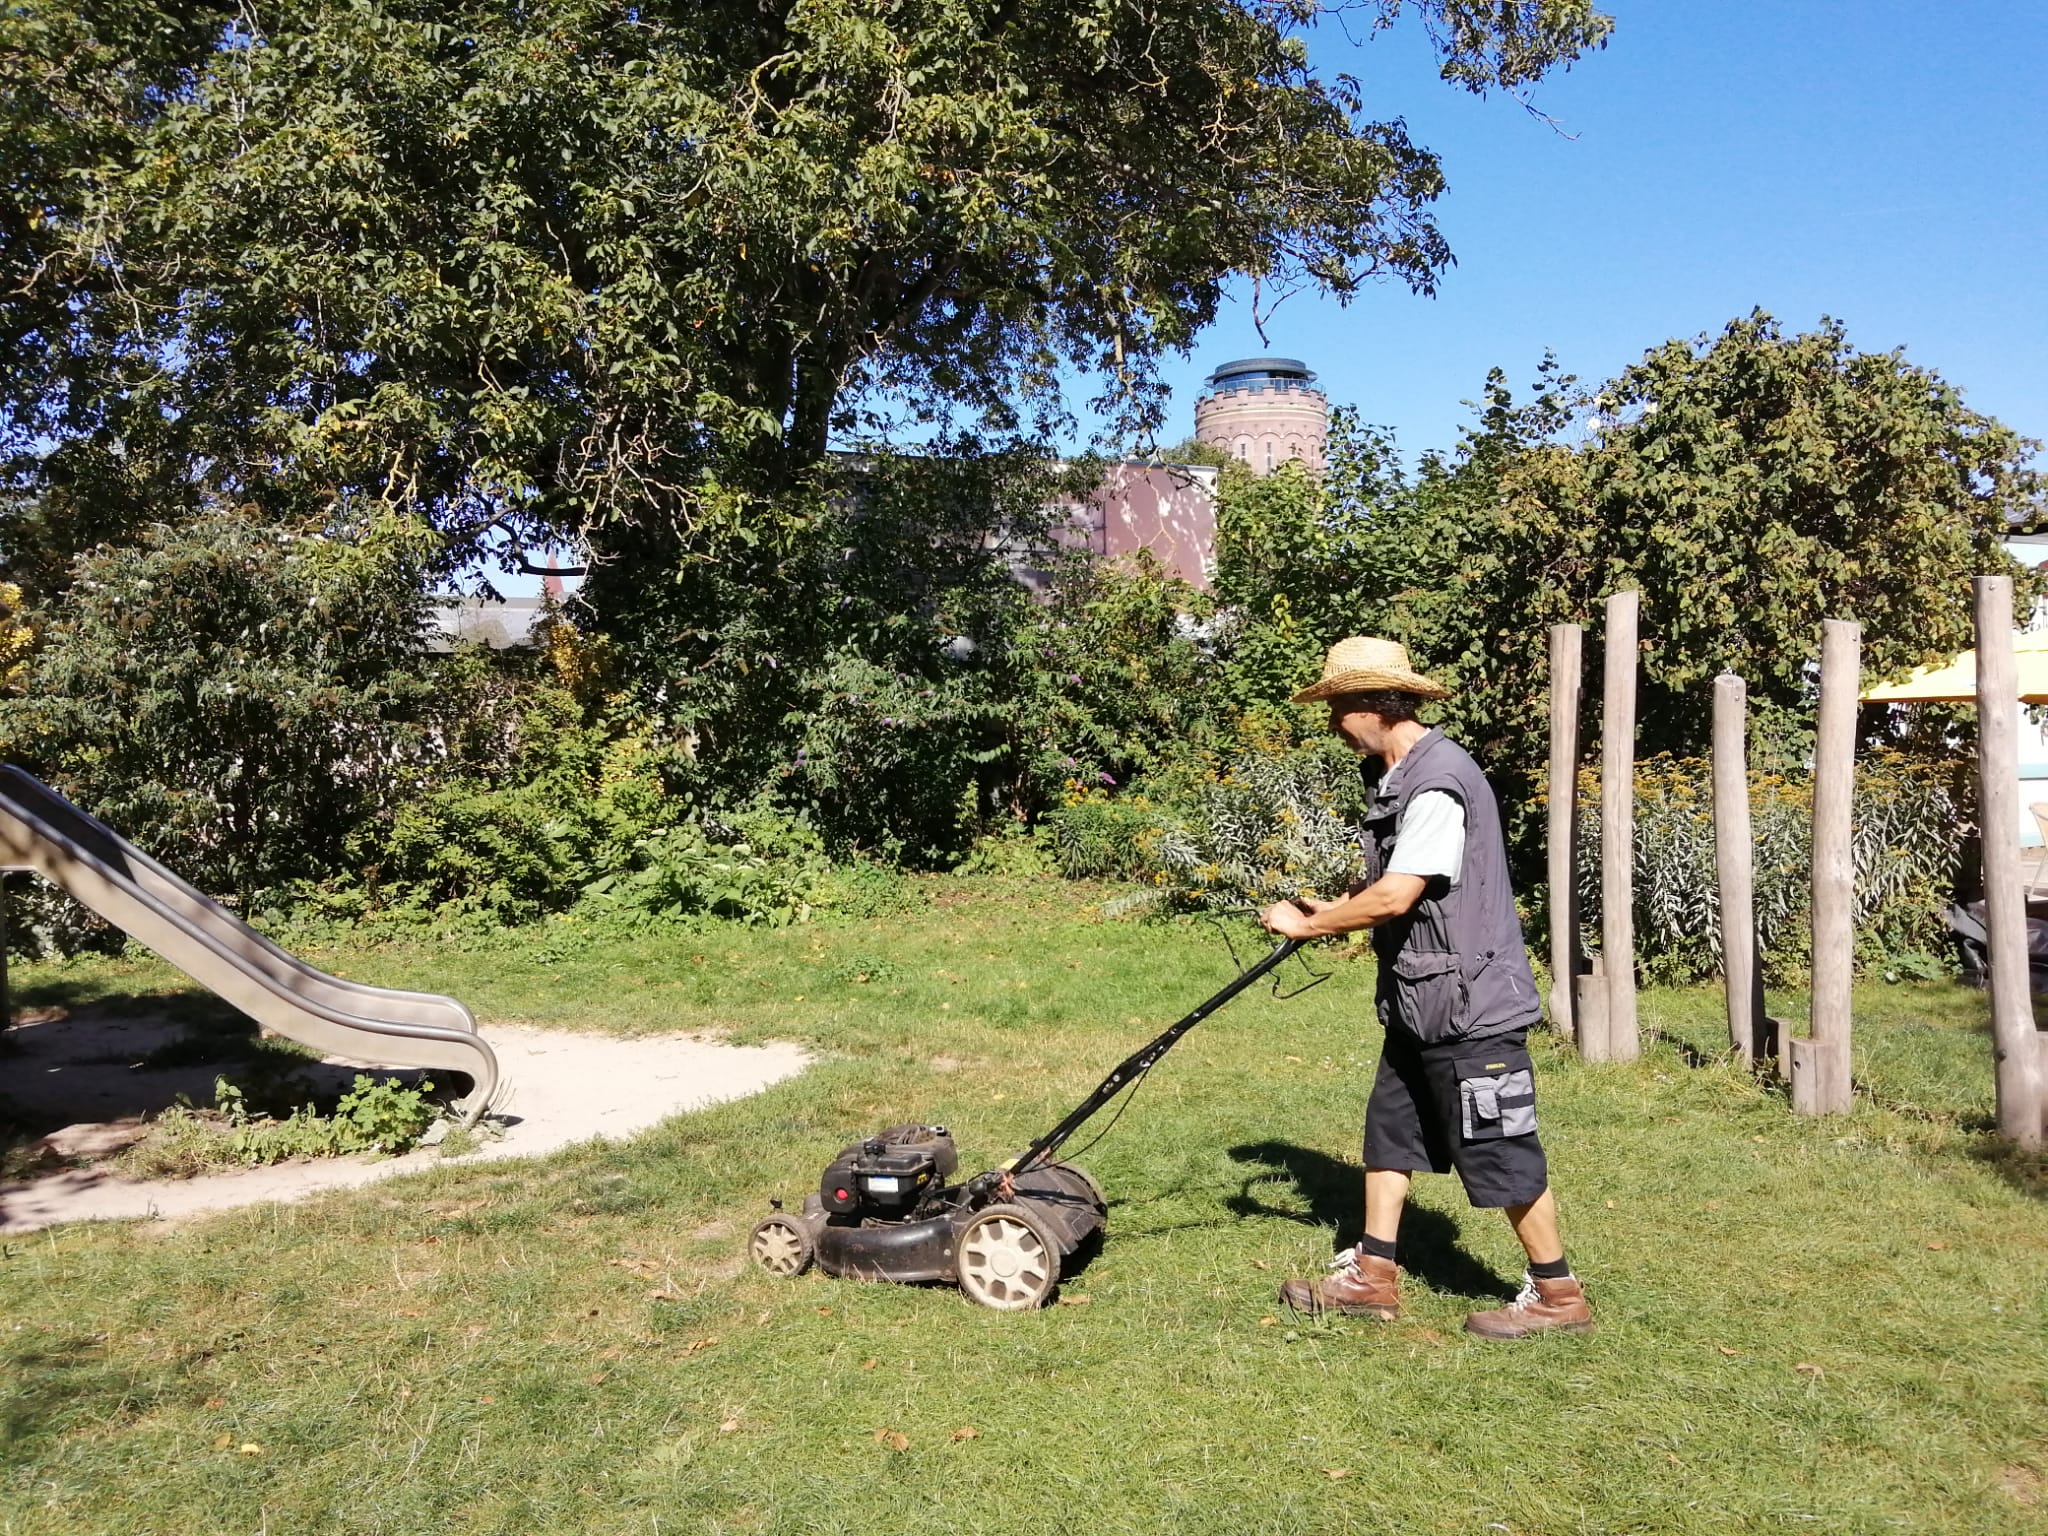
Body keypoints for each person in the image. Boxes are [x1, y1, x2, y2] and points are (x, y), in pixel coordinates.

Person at [1258, 636, 1592, 1339]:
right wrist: (1338, 906)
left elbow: (1397, 897)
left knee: (1499, 1145)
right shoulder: (1395, 775)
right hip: (1421, 1001)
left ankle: (1559, 1296)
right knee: (1391, 1133)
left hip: (1471, 1007)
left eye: (1339, 709)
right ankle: (1372, 1277)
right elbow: (1406, 884)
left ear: (1375, 705)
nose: (1333, 724)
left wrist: (1308, 926)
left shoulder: (1438, 782)